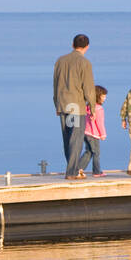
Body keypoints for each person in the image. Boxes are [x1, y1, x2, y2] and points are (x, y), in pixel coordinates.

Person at [53, 34, 96, 179]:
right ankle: (71, 172)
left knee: (68, 140)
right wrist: (93, 107)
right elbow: (89, 88)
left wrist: (56, 104)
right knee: (76, 140)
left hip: (63, 104)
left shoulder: (60, 61)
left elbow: (55, 84)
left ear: (72, 44)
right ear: (87, 47)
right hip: (76, 106)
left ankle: (75, 169)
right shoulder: (84, 63)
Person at [79, 85, 108, 175]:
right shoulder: (99, 109)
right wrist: (103, 134)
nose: (105, 98)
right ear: (97, 96)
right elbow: (99, 123)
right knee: (96, 153)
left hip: (85, 132)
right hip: (93, 134)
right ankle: (97, 171)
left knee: (89, 151)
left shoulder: (87, 107)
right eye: (103, 96)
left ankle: (79, 168)